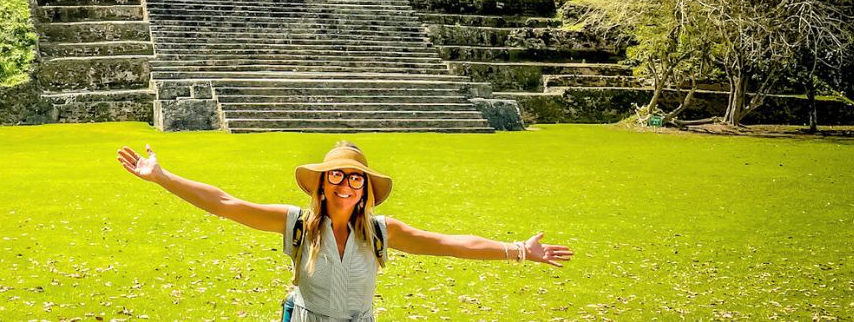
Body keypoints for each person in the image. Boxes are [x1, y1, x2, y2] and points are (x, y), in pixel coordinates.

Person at [116, 141, 573, 321]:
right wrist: (162, 176)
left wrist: (517, 251)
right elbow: (225, 203)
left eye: (355, 178)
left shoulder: (380, 231)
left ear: (366, 188)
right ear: (321, 182)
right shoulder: (297, 224)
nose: (346, 184)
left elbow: (450, 244)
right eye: (336, 175)